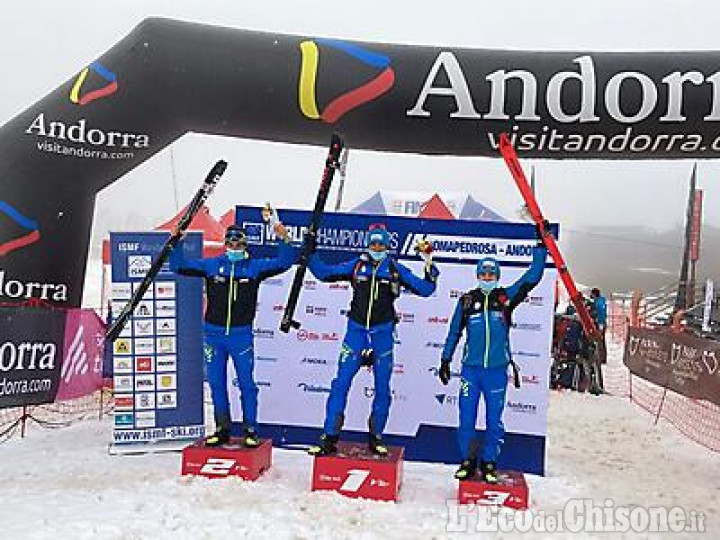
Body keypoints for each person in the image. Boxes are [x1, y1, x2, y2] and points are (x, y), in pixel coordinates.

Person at [306, 224, 439, 456]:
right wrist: (311, 251)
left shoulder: (395, 269)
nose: (376, 247)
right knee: (340, 385)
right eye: (373, 243)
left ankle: (376, 437)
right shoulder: (356, 266)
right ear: (368, 245)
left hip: (382, 337)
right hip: (355, 335)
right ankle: (329, 437)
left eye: (381, 244)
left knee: (382, 389)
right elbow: (323, 273)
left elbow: (426, 289)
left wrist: (428, 263)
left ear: (387, 246)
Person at [169, 206, 295, 447]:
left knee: (247, 383)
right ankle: (222, 428)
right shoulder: (212, 265)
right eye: (230, 242)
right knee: (216, 383)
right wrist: (176, 241)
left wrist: (282, 236)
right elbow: (179, 266)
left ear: (245, 244)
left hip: (241, 336)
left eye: (238, 243)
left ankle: (250, 429)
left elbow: (285, 261)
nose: (234, 246)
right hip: (213, 334)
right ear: (225, 243)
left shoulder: (255, 267)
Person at [438, 227, 547, 483]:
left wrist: (540, 247)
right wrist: (445, 359)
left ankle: (489, 463)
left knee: (494, 422)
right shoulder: (466, 301)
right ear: (477, 275)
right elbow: (454, 332)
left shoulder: (505, 298)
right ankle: (467, 460)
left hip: (497, 371)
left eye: (491, 273)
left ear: (497, 276)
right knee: (466, 417)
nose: (487, 276)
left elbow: (533, 276)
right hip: (471, 371)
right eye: (483, 273)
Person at [590, 287, 608, 363]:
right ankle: (602, 357)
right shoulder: (600, 301)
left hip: (600, 323)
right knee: (601, 341)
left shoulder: (598, 303)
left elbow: (601, 314)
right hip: (602, 323)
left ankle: (601, 358)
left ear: (594, 294)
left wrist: (600, 324)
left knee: (600, 340)